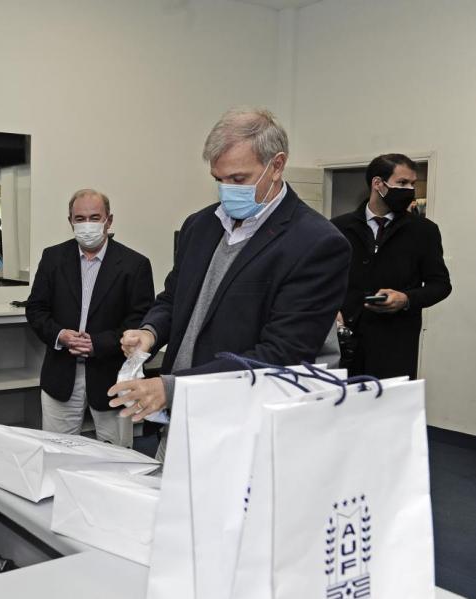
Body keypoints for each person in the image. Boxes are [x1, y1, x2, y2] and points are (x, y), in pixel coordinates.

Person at [109, 108, 351, 462]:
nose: (227, 191)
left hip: (247, 431)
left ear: (277, 165)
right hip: (181, 420)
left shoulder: (316, 243)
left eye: (239, 179)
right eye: (219, 179)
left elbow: (281, 356)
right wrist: (150, 332)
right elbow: (175, 298)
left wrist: (172, 388)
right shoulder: (200, 225)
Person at [26, 189, 154, 447]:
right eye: (80, 218)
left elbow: (140, 321)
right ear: (70, 221)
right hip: (60, 374)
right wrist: (60, 335)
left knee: (115, 457)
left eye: (95, 217)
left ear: (109, 220)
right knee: (56, 451)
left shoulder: (134, 264)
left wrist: (99, 343)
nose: (87, 225)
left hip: (111, 374)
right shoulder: (53, 258)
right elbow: (36, 309)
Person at [331, 154, 451, 379]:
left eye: (412, 184)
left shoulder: (423, 231)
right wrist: (332, 308)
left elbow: (441, 285)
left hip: (395, 345)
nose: (409, 190)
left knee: (390, 410)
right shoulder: (338, 227)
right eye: (402, 183)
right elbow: (323, 280)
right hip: (345, 342)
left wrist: (406, 299)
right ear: (378, 184)